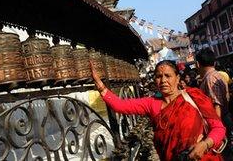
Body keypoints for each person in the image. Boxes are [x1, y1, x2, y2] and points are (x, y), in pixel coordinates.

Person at [91, 60, 226, 161]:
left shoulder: (194, 96)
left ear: (177, 78)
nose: (163, 80)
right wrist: (102, 87)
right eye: (158, 76)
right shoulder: (151, 103)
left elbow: (219, 128)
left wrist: (204, 144)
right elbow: (120, 105)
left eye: (168, 76)